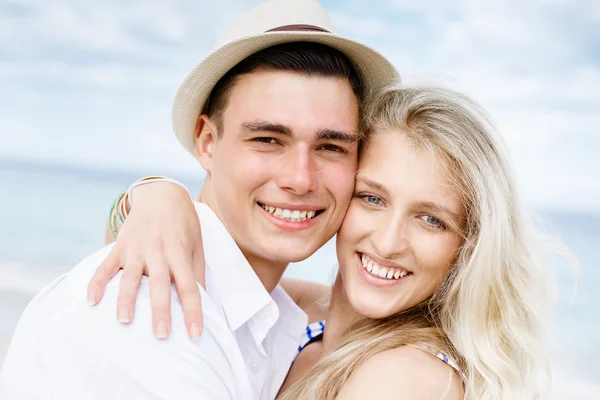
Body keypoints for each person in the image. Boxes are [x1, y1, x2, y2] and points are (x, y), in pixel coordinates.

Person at [0, 1, 398, 399]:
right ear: (207, 142)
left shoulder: (271, 315)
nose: (299, 178)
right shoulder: (151, 312)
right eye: (267, 140)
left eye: (330, 147)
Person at [90, 84, 560, 399]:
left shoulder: (403, 378)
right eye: (372, 198)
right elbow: (155, 249)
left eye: (431, 220)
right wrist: (155, 198)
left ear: (469, 247)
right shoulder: (298, 313)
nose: (388, 241)